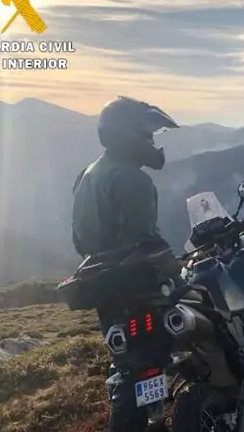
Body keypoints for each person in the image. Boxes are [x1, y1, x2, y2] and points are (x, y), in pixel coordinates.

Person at [71, 96, 179, 431]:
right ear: (125, 135)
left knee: (129, 368)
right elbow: (143, 242)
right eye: (145, 134)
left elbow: (80, 241)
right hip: (137, 290)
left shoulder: (87, 174)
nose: (151, 141)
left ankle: (145, 417)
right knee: (174, 346)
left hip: (106, 291)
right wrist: (177, 271)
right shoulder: (132, 178)